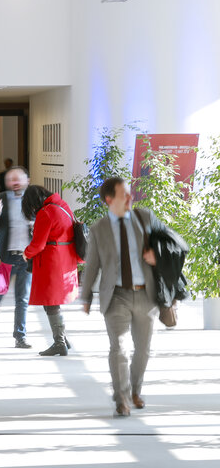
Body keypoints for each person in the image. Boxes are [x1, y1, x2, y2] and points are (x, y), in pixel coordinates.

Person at [80, 177, 162, 417]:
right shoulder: (99, 229)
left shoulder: (144, 218)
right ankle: (122, 398)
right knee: (119, 348)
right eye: (124, 194)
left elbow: (169, 244)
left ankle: (135, 390)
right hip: (116, 296)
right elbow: (92, 263)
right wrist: (86, 296)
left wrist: (157, 257)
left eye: (130, 193)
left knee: (143, 349)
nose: (130, 197)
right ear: (109, 200)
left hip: (145, 294)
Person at [21, 185, 82, 356]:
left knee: (51, 302)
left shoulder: (45, 212)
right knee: (52, 301)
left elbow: (38, 244)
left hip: (51, 262)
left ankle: (59, 342)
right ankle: (61, 337)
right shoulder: (63, 206)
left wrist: (26, 253)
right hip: (66, 259)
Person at [0, 166, 33, 349]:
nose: (15, 182)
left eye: (19, 179)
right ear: (6, 182)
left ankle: (20, 337)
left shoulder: (35, 199)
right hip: (4, 257)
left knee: (22, 299)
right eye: (11, 179)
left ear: (27, 180)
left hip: (26, 258)